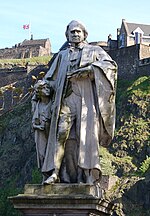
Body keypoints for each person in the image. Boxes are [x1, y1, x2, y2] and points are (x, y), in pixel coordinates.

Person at [41, 20, 117, 184]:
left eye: (78, 32)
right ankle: (54, 172)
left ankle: (88, 174)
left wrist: (90, 70)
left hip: (86, 101)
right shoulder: (62, 56)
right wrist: (42, 86)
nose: (75, 34)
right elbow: (51, 79)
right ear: (67, 35)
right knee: (60, 134)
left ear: (84, 34)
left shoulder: (95, 50)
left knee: (86, 136)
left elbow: (110, 66)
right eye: (72, 32)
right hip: (66, 100)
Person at [32, 80, 53, 183]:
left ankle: (52, 174)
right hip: (40, 132)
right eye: (44, 88)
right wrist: (37, 126)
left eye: (47, 87)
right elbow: (33, 122)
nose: (47, 90)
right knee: (41, 154)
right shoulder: (37, 105)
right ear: (39, 92)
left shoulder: (53, 103)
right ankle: (45, 175)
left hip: (51, 132)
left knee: (51, 152)